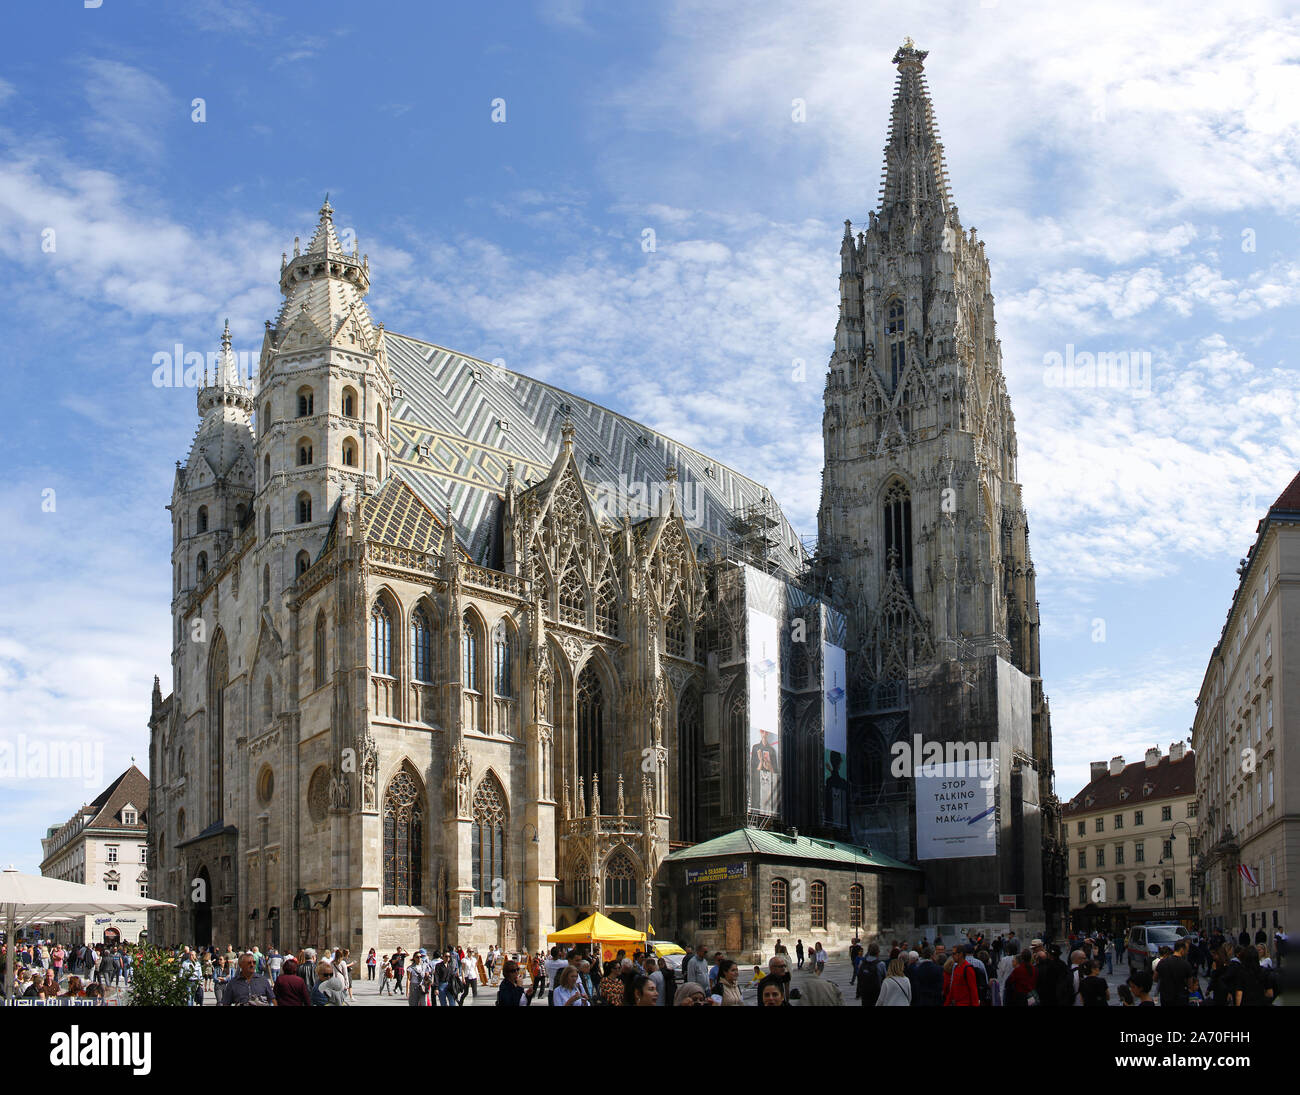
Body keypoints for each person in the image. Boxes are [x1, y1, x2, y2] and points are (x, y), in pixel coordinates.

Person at [1155, 939, 1194, 1007]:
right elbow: (1190, 984)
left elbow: (1155, 978)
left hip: (1165, 998)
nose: (1187, 952)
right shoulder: (1186, 964)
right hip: (1180, 999)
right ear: (1182, 949)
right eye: (1186, 950)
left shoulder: (1162, 962)